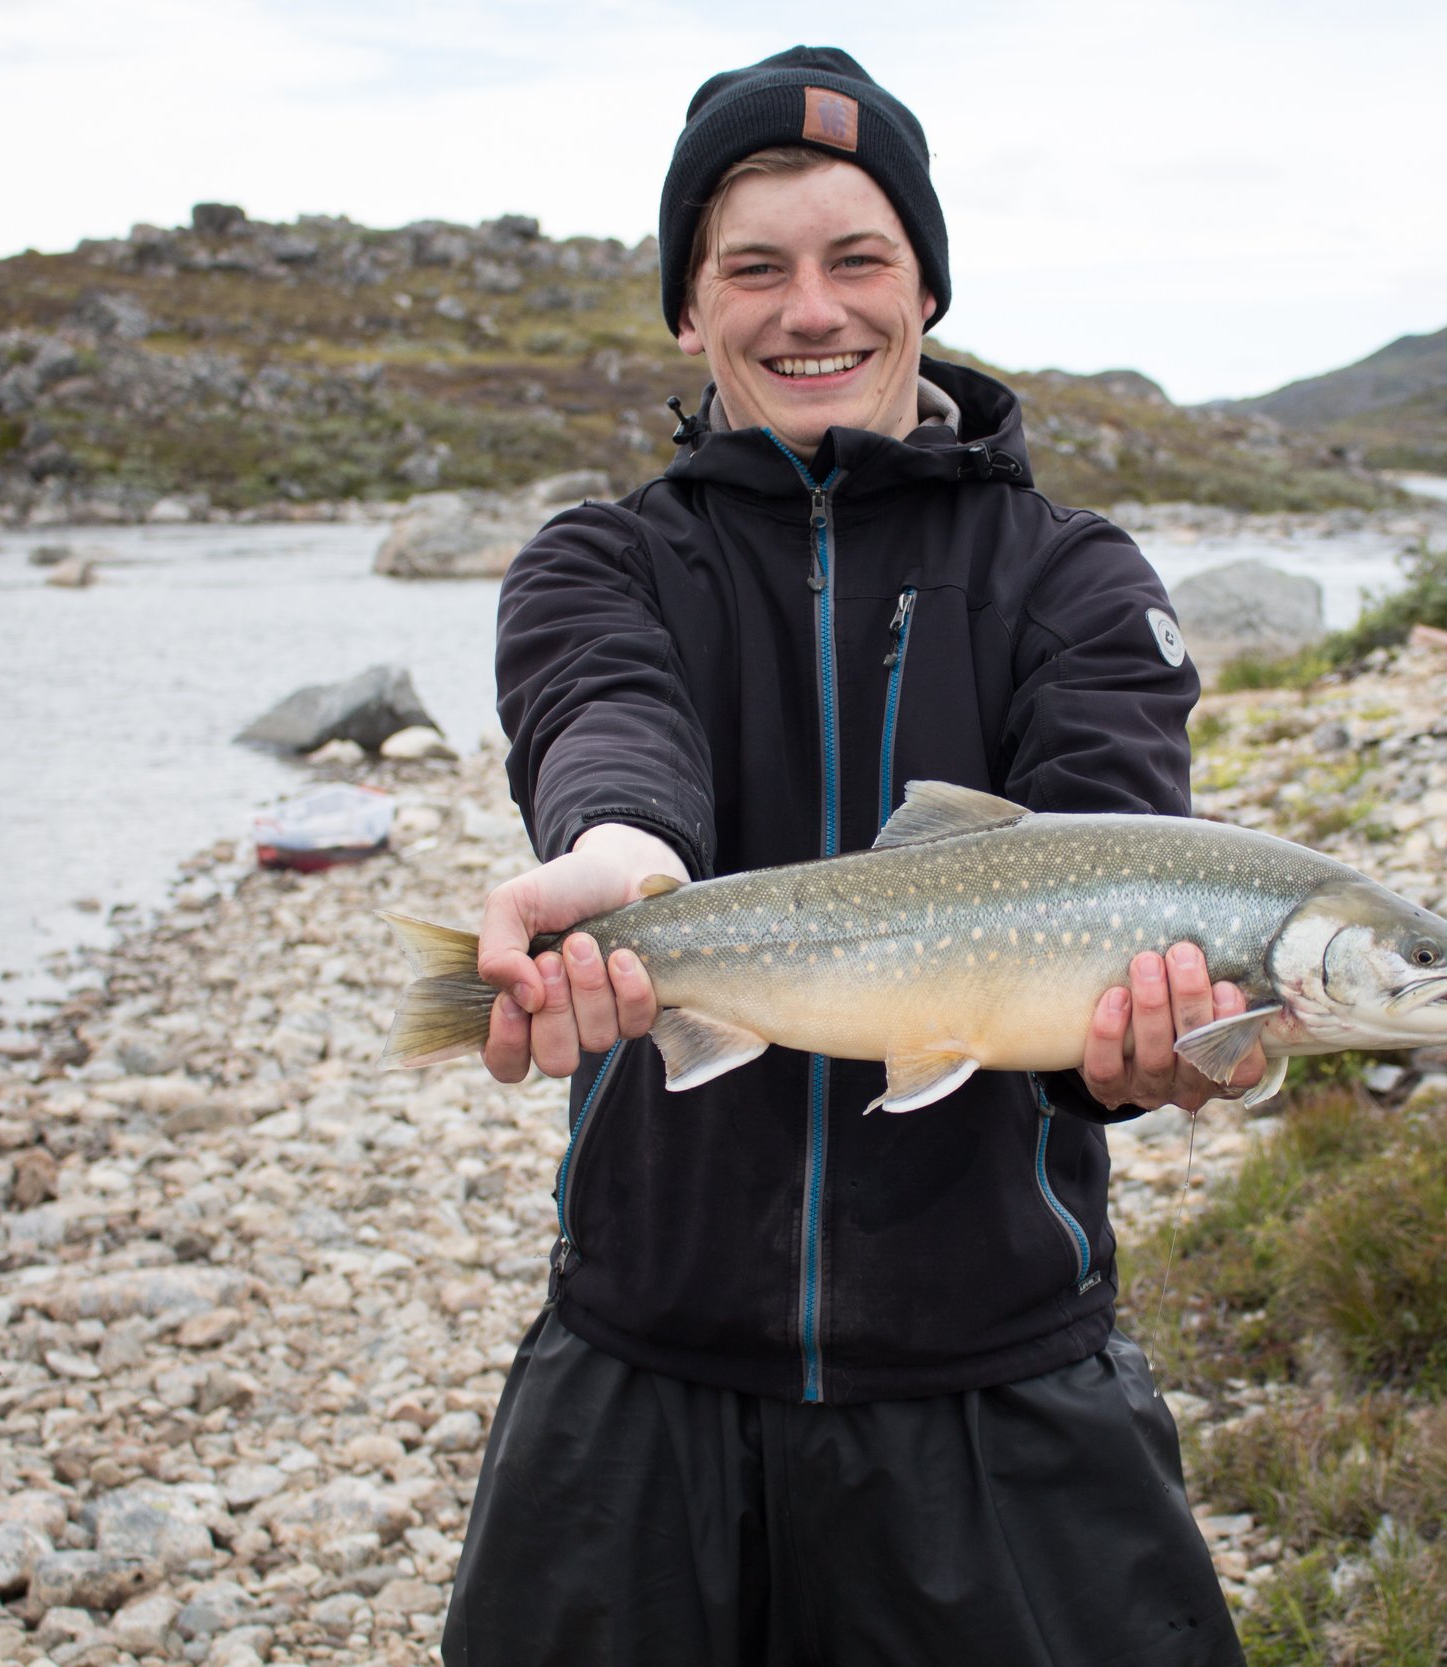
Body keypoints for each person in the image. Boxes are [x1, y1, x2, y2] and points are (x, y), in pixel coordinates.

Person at [441, 46, 1260, 1667]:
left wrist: (1148, 1050)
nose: (810, 308)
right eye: (754, 267)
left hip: (995, 1379)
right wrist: (623, 856)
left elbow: (1113, 838)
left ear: (927, 290)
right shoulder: (597, 563)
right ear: (692, 310)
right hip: (645, 1370)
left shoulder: (1075, 581)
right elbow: (608, 728)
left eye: (857, 259)